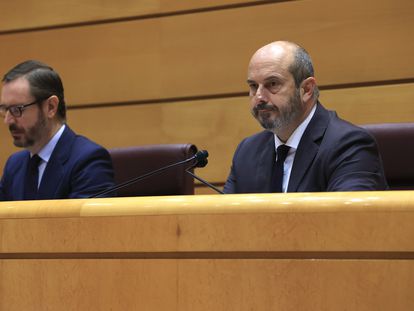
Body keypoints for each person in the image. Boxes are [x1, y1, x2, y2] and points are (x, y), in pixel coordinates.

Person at [224, 41, 387, 193]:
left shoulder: (349, 146)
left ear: (307, 89)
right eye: (253, 86)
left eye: (272, 84)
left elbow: (347, 220)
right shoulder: (247, 151)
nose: (259, 97)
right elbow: (222, 220)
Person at [0, 60, 115, 200]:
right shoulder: (14, 164)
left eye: (16, 110)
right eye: (5, 110)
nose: (8, 120)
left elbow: (83, 222)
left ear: (51, 107)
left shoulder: (88, 160)